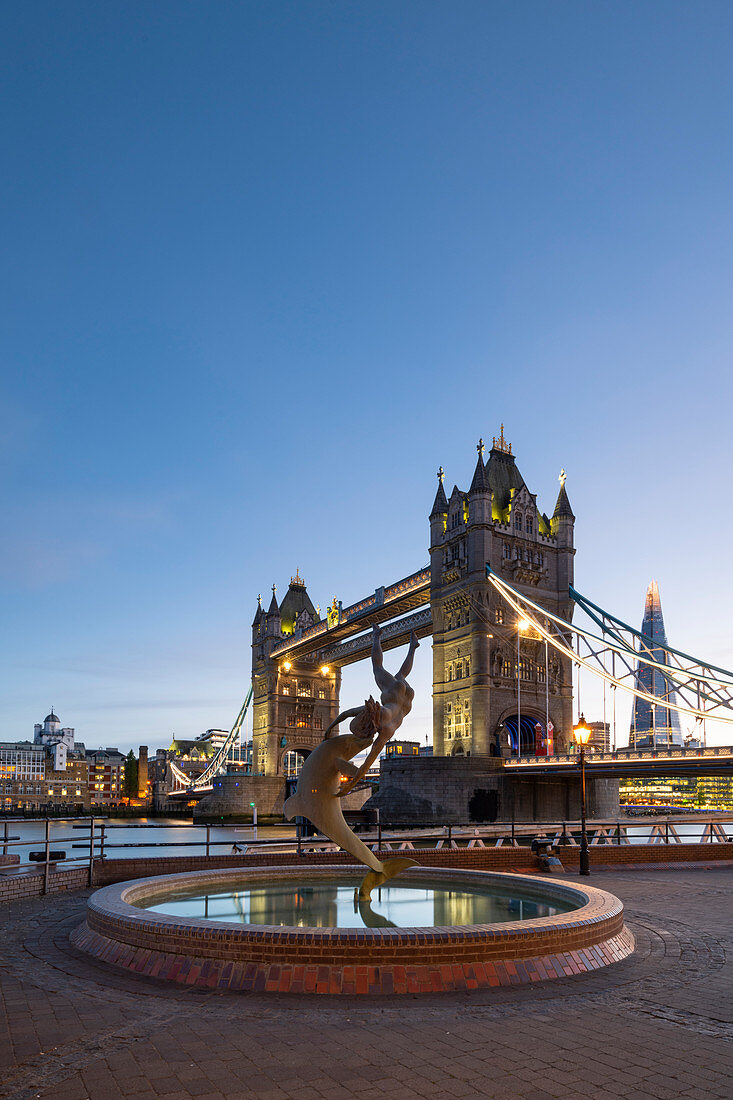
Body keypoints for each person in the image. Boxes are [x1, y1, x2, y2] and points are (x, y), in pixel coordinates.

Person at [338, 624, 419, 795]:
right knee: (379, 667)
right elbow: (346, 714)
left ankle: (412, 647)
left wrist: (351, 786)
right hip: (394, 695)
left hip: (407, 702)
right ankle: (377, 636)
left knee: (399, 675)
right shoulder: (377, 711)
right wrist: (331, 727)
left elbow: (367, 762)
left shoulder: (386, 732)